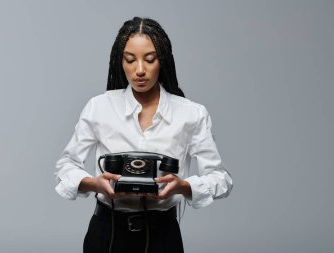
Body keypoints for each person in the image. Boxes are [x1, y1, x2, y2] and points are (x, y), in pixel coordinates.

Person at [54, 17, 233, 253]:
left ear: (163, 61)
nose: (140, 70)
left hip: (163, 235)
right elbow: (65, 165)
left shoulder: (192, 114)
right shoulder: (99, 107)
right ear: (120, 61)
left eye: (150, 60)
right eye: (130, 60)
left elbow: (221, 180)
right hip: (107, 232)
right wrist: (94, 183)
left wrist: (182, 186)